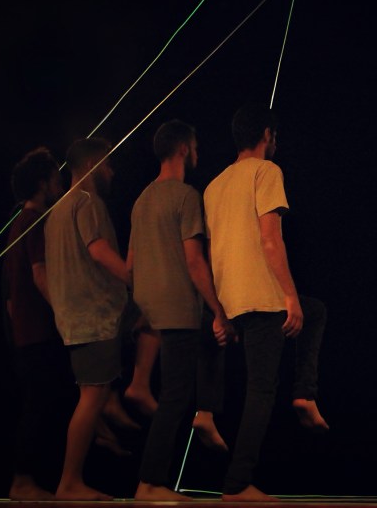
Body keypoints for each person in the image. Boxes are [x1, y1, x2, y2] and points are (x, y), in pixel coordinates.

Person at [203, 102, 329, 502]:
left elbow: (213, 253)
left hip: (232, 298)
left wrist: (219, 313)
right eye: (275, 135)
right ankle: (237, 484)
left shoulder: (214, 185)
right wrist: (289, 296)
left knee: (316, 311)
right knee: (261, 390)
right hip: (261, 295)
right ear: (267, 135)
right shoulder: (266, 171)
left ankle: (304, 393)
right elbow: (271, 239)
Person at [127, 119, 236, 501]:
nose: (198, 154)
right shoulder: (186, 196)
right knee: (175, 395)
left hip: (151, 308)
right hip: (176, 308)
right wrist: (219, 309)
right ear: (183, 150)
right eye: (196, 147)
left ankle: (206, 412)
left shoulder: (141, 200)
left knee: (211, 340)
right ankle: (150, 483)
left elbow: (131, 264)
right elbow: (194, 262)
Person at [44, 136, 134, 501]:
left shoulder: (56, 212)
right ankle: (69, 482)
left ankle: (114, 396)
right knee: (90, 396)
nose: (112, 172)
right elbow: (98, 251)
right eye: (107, 164)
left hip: (74, 318)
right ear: (91, 165)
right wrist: (134, 278)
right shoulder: (86, 201)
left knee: (93, 392)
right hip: (95, 316)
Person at [1, 147, 71, 500]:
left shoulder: (16, 224)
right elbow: (40, 274)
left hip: (24, 334)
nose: (60, 186)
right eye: (56, 179)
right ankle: (24, 481)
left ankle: (31, 480)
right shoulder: (34, 221)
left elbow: (9, 295)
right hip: (39, 332)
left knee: (40, 403)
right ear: (43, 183)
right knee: (40, 406)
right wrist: (65, 315)